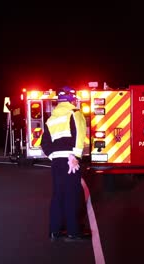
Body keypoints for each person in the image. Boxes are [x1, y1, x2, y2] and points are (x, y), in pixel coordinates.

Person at [41, 86, 90, 242]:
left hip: (57, 162)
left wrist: (54, 156)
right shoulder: (75, 113)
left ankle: (54, 232)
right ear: (72, 99)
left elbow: (45, 143)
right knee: (72, 195)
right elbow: (79, 135)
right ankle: (73, 232)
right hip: (71, 160)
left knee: (57, 196)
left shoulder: (51, 118)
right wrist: (74, 156)